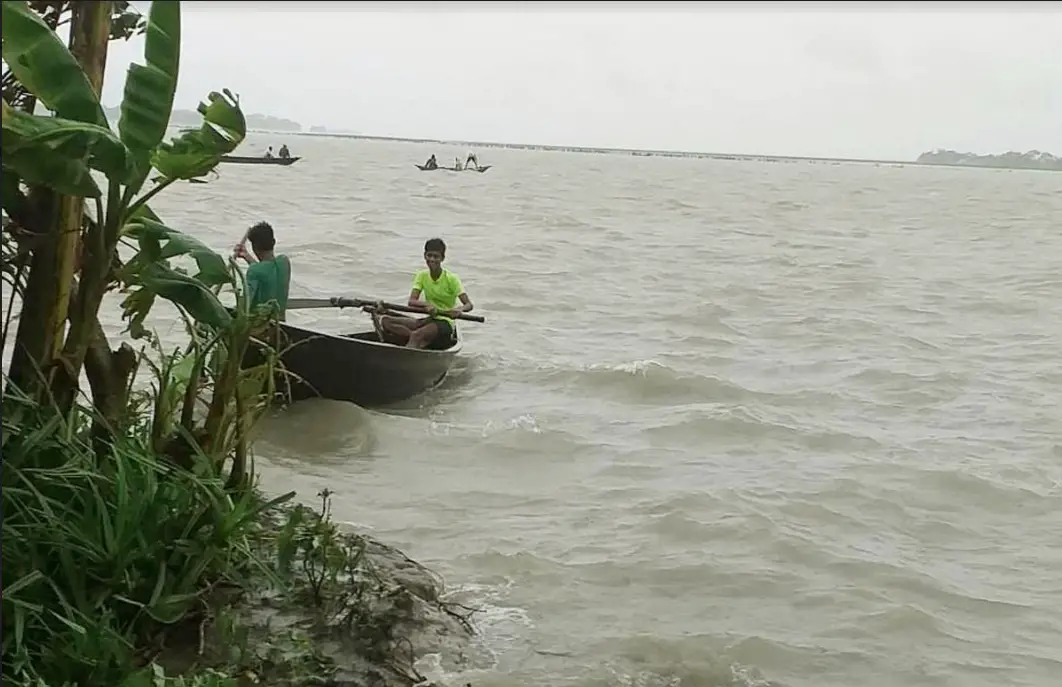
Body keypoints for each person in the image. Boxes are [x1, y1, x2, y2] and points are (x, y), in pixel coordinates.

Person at [375, 237, 473, 350]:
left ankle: (412, 346)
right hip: (430, 319)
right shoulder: (422, 275)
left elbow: (469, 305)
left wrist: (459, 310)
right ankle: (417, 339)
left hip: (445, 322)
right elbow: (411, 301)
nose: (432, 259)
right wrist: (426, 305)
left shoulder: (452, 279)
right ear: (424, 256)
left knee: (417, 335)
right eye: (429, 255)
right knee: (386, 321)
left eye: (436, 256)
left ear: (442, 258)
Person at [233, 221, 292, 321]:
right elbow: (265, 270)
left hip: (258, 327)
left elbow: (245, 305)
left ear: (254, 247)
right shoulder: (284, 262)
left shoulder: (254, 271)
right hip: (280, 323)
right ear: (274, 242)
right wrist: (247, 257)